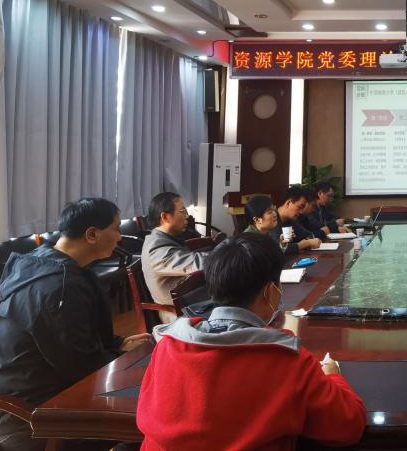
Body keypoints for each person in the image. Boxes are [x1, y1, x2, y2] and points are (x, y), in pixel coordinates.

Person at [137, 233, 367, 450]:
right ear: (271, 291)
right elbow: (348, 426)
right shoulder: (286, 359)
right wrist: (332, 375)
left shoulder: (167, 344)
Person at [0, 198, 151, 451]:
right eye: (116, 229)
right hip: (31, 417)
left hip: (58, 391)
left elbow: (73, 344)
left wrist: (118, 345)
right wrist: (120, 357)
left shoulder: (45, 263)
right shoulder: (59, 287)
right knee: (153, 420)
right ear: (92, 234)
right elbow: (82, 366)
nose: (120, 237)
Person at [141, 191, 207, 322]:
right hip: (180, 311)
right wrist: (230, 253)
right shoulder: (156, 249)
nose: (187, 216)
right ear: (165, 217)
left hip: (191, 298)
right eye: (182, 211)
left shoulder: (165, 238)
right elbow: (197, 263)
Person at [244, 194, 321, 253]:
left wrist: (282, 245)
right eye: (270, 212)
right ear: (257, 220)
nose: (275, 214)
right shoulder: (248, 240)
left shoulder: (265, 233)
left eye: (274, 210)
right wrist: (303, 244)